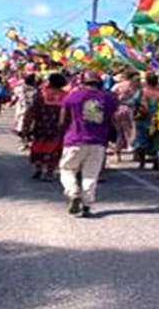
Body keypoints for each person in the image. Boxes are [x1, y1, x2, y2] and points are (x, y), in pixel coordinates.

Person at [58, 70, 118, 218]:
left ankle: (73, 193)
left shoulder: (73, 96)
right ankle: (86, 205)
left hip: (75, 139)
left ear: (83, 82)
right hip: (98, 141)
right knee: (91, 174)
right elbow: (112, 119)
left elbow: (63, 119)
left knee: (67, 168)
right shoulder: (109, 98)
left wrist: (61, 133)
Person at [27, 73, 68, 181]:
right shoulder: (66, 95)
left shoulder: (42, 94)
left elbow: (32, 110)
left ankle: (38, 168)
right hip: (57, 127)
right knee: (54, 148)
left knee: (39, 145)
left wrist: (26, 125)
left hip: (42, 125)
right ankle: (50, 171)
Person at [13, 72, 39, 150]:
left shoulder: (19, 89)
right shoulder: (35, 90)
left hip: (23, 110)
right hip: (32, 110)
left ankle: (25, 143)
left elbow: (16, 97)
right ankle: (28, 143)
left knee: (23, 127)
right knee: (30, 127)